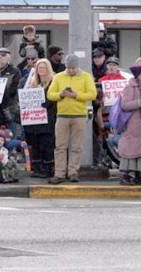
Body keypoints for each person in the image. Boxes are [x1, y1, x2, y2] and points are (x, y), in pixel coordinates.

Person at [46, 55, 97, 184]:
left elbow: (93, 94)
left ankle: (73, 172)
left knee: (76, 146)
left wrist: (76, 95)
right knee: (60, 146)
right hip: (62, 115)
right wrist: (61, 94)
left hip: (79, 115)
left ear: (77, 66)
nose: (71, 71)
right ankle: (59, 173)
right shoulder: (58, 77)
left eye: (73, 68)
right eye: (68, 68)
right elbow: (50, 95)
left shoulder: (86, 76)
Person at [24, 58, 57, 179]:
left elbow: (53, 99)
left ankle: (48, 169)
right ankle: (38, 169)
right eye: (39, 68)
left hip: (48, 118)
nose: (41, 70)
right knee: (35, 144)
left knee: (47, 144)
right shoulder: (32, 82)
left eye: (43, 67)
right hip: (34, 119)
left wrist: (45, 103)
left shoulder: (53, 81)